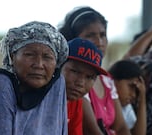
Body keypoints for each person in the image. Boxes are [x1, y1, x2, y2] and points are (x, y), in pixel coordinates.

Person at [0, 21, 69, 135]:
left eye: (47, 57)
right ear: (13, 56)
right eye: (29, 55)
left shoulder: (57, 85)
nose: (39, 64)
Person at [58, 6, 131, 135]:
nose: (99, 42)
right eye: (90, 35)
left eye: (103, 35)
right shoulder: (72, 89)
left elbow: (121, 127)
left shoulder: (106, 79)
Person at [61, 37, 108, 135]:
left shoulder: (76, 102)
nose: (81, 83)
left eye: (90, 77)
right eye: (75, 71)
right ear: (59, 66)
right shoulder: (42, 97)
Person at [108, 59, 146, 135]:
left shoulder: (126, 108)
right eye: (131, 87)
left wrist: (142, 99)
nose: (134, 95)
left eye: (137, 92)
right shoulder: (102, 100)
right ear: (113, 80)